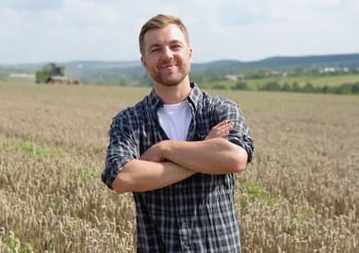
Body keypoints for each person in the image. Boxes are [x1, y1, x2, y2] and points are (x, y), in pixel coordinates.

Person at [101, 14, 254, 252]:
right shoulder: (129, 121)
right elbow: (122, 178)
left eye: (175, 46)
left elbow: (234, 158)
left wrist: (165, 149)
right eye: (156, 49)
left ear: (189, 53)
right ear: (144, 61)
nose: (167, 55)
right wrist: (204, 152)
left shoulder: (221, 110)